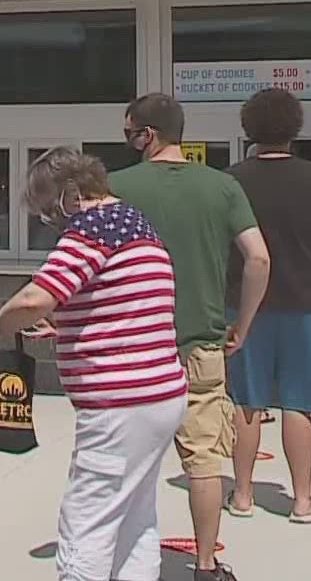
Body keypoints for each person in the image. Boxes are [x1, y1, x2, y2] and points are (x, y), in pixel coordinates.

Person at [0, 148, 187, 581]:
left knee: (86, 523)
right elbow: (126, 303)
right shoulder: (135, 224)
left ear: (70, 193)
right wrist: (72, 330)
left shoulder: (93, 227)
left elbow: (37, 298)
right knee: (135, 518)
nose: (47, 219)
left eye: (45, 207)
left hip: (118, 405)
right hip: (161, 394)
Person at [109, 93, 270, 581]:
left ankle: (123, 561)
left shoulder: (117, 187)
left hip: (135, 347)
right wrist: (241, 321)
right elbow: (259, 258)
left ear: (148, 135)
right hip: (201, 343)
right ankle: (204, 564)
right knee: (203, 461)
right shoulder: (222, 187)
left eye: (129, 132)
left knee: (128, 462)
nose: (128, 142)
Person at [225, 89, 311, 526]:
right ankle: (302, 500)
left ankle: (240, 495)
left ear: (248, 128)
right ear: (295, 127)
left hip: (244, 305)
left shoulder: (232, 178)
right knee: (299, 403)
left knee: (246, 400)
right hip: (304, 300)